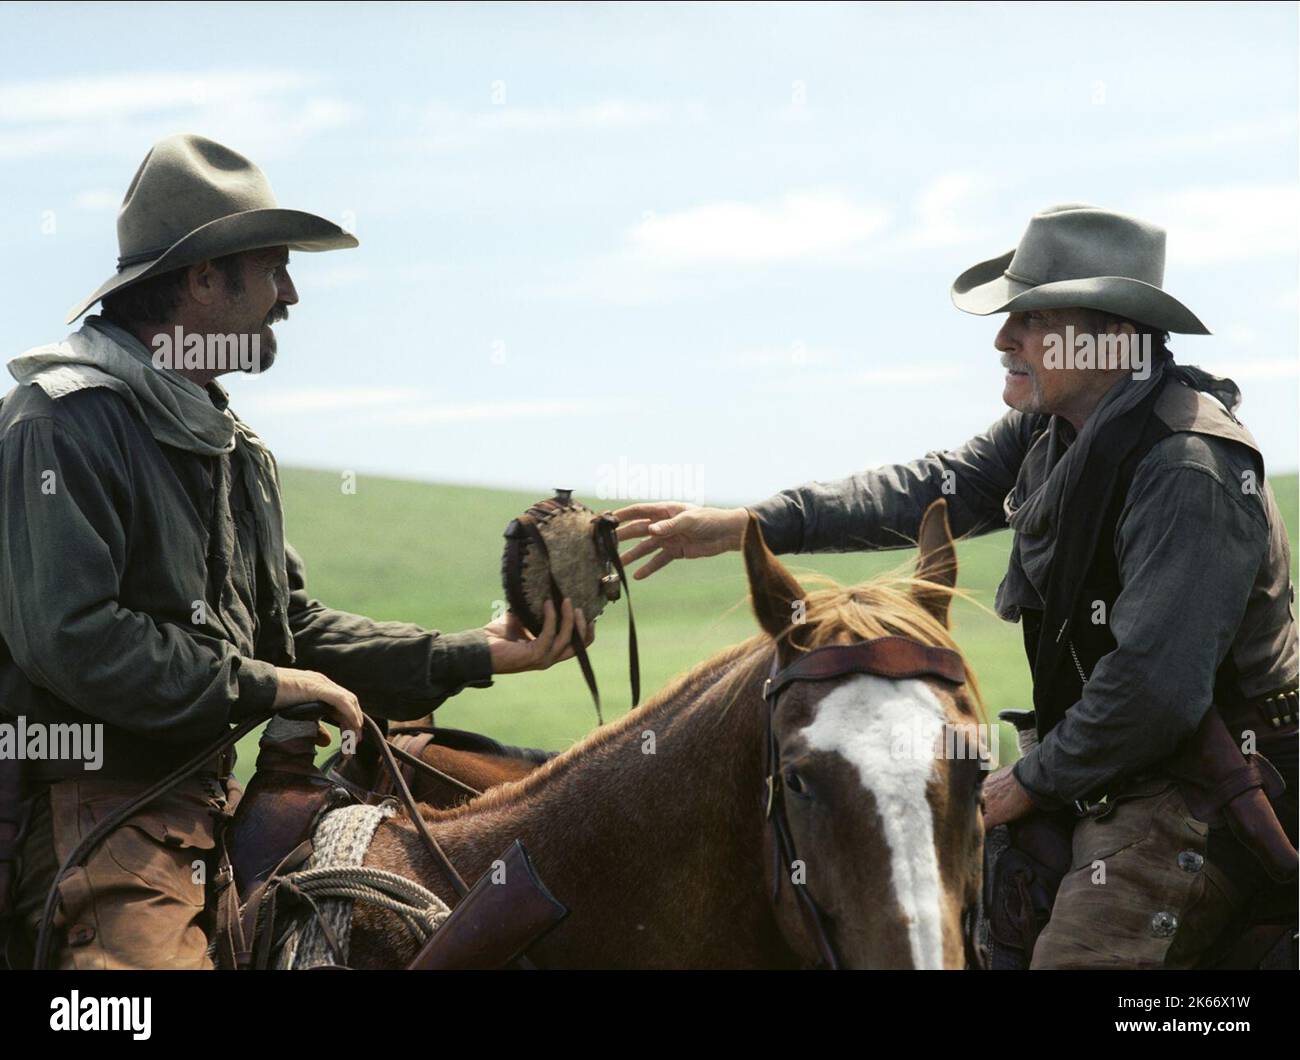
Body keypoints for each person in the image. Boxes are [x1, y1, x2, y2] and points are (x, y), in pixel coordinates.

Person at [615, 204, 1297, 968]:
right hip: (1106, 761)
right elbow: (926, 489)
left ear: (1110, 335)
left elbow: (1156, 690)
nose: (1004, 338)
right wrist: (751, 522)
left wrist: (1028, 781)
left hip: (1199, 785)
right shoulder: (1058, 425)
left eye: (1031, 317)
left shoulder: (1188, 471)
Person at [0, 134, 589, 969]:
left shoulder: (232, 449)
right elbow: (74, 638)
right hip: (99, 815)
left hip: (211, 802)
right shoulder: (59, 423)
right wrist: (266, 686)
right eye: (273, 269)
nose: (291, 294)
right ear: (204, 280)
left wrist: (481, 653)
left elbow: (291, 632)